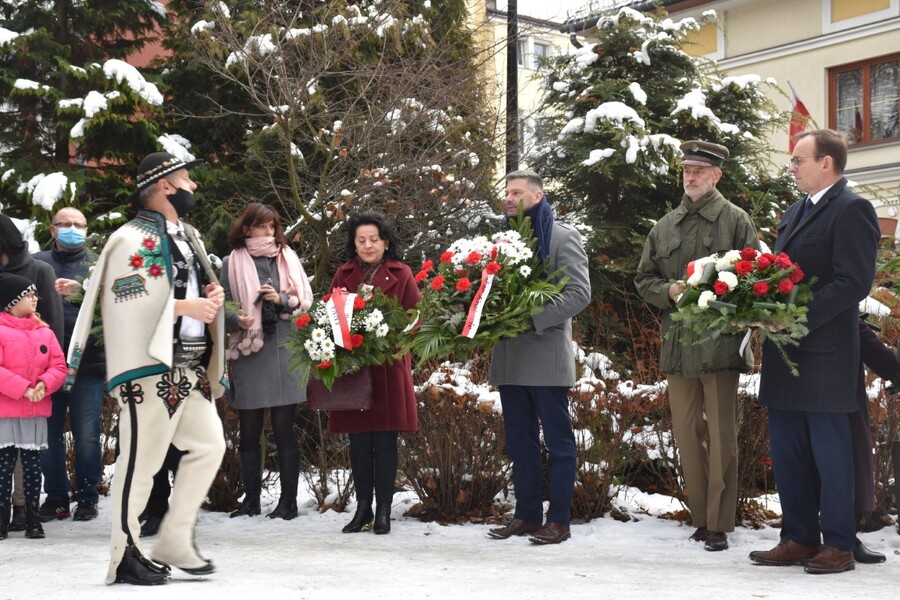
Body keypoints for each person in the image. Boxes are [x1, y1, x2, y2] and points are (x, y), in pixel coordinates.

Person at [67, 152, 227, 585]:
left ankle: (175, 538)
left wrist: (210, 298)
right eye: (186, 179)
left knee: (211, 446)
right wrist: (185, 305)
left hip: (189, 370)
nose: (193, 185)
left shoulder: (188, 235)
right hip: (148, 371)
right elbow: (125, 302)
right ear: (164, 187)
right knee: (140, 464)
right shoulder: (128, 240)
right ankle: (124, 554)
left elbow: (180, 291)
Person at [749, 129, 880, 574]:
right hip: (788, 355)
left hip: (825, 353)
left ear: (826, 163)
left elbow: (853, 283)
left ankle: (839, 544)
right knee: (789, 451)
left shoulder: (852, 208)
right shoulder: (795, 211)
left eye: (798, 160)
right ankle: (800, 537)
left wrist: (795, 318)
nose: (792, 167)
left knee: (830, 454)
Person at [634, 140, 760, 552]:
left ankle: (720, 524)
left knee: (722, 435)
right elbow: (643, 279)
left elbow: (758, 277)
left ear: (716, 176)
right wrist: (668, 290)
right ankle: (701, 516)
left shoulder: (735, 220)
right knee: (687, 434)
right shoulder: (665, 226)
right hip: (678, 347)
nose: (691, 177)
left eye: (700, 171)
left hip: (720, 346)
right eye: (687, 170)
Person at [487, 169, 591, 545]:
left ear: (537, 196)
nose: (510, 199)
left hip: (546, 357)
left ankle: (559, 521)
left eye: (516, 192)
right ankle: (527, 515)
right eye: (507, 193)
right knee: (520, 443)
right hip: (511, 357)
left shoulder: (562, 237)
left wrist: (532, 318)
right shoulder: (500, 242)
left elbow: (580, 293)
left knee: (559, 444)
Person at [328, 211, 420, 535]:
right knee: (358, 442)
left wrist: (391, 336)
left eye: (374, 240)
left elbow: (416, 315)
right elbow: (331, 314)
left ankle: (383, 511)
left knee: (385, 441)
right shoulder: (344, 273)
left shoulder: (401, 272)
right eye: (361, 240)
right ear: (353, 243)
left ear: (385, 242)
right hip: (355, 369)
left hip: (389, 367)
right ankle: (362, 508)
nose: (368, 246)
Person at [222, 202, 313, 520]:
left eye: (272, 226)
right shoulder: (231, 262)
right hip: (250, 350)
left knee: (284, 427)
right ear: (246, 228)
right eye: (260, 226)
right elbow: (221, 306)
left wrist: (281, 299)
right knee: (249, 429)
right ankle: (251, 501)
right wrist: (238, 319)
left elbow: (304, 302)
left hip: (286, 350)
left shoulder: (288, 258)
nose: (267, 232)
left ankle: (288, 502)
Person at [33, 207, 106, 523]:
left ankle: (88, 497)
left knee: (87, 434)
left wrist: (86, 290)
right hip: (44, 366)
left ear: (87, 231)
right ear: (53, 230)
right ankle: (57, 498)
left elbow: (115, 303)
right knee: (48, 437)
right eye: (66, 224)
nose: (72, 229)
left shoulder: (98, 265)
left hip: (88, 364)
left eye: (79, 225)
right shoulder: (37, 265)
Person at [0, 215, 64, 528]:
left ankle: (23, 510)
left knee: (25, 451)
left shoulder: (39, 270)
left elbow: (53, 332)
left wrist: (47, 382)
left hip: (31, 386)